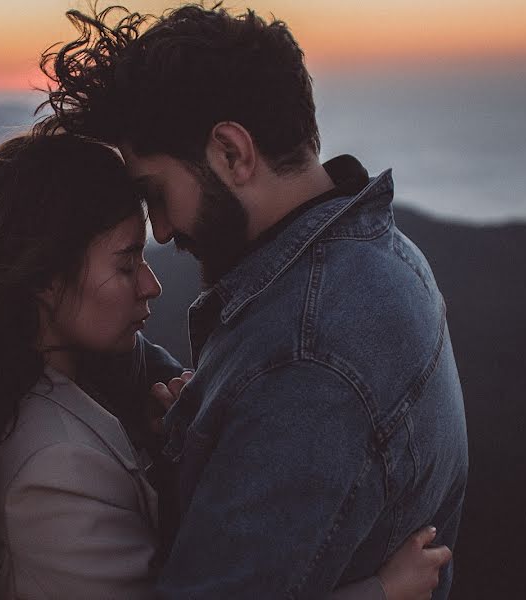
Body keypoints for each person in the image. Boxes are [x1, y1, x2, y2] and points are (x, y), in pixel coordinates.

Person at [0, 133, 450, 599]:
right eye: (124, 262)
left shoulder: (40, 393)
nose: (151, 284)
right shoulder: (54, 463)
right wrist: (380, 590)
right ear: (46, 279)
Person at [37, 4, 470, 599]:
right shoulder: (380, 252)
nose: (160, 230)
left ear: (232, 153)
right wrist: (201, 424)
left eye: (154, 194)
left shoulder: (305, 361)